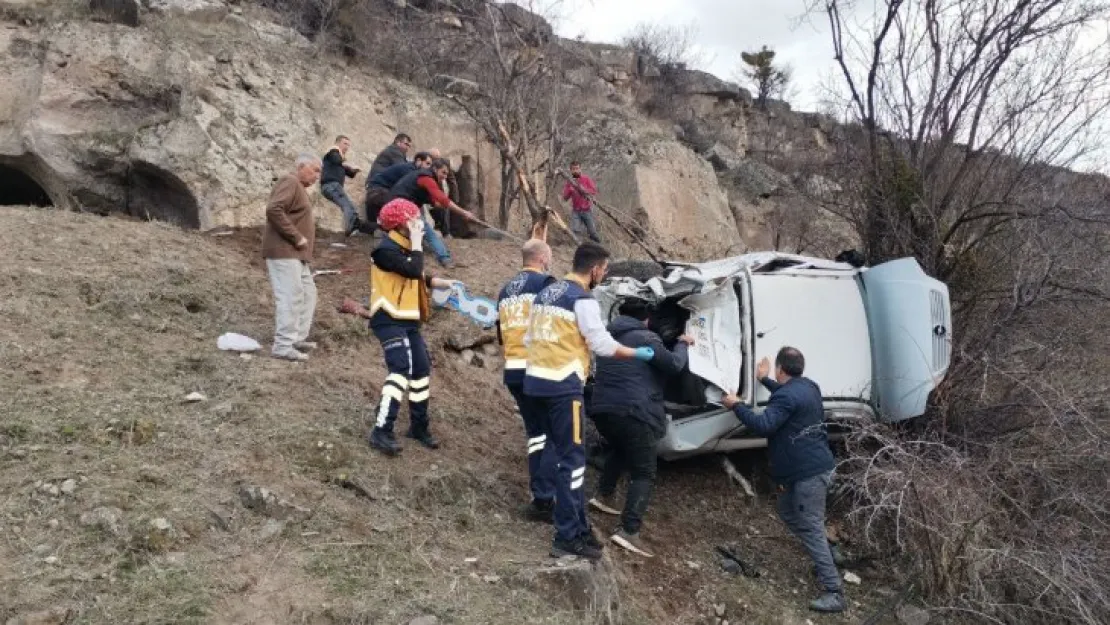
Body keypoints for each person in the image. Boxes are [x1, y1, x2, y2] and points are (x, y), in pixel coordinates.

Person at [524, 242, 657, 560]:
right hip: (563, 389)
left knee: (556, 454)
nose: (604, 274)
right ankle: (567, 536)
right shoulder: (581, 300)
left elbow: (529, 337)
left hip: (536, 384)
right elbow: (601, 344)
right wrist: (636, 353)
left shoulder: (547, 293)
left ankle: (579, 526)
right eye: (605, 270)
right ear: (595, 269)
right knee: (573, 463)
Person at [722, 348, 845, 613]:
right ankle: (827, 551)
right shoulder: (809, 387)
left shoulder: (788, 395)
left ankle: (834, 591)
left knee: (810, 526)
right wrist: (764, 380)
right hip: (813, 468)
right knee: (788, 511)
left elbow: (764, 424)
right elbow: (786, 398)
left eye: (774, 374)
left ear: (781, 370)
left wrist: (736, 405)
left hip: (808, 473)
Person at [587, 298, 694, 557]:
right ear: (646, 319)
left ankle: (603, 494)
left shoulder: (607, 336)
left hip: (602, 409)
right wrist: (682, 343)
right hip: (636, 410)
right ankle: (629, 530)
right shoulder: (645, 337)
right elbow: (674, 365)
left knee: (622, 448)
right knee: (644, 472)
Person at [365, 198, 457, 456]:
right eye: (413, 219)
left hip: (408, 320)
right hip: (388, 318)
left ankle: (419, 426)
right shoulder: (383, 250)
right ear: (400, 224)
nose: (419, 223)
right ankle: (381, 429)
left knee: (421, 370)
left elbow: (414, 272)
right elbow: (411, 268)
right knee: (400, 369)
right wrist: (418, 244)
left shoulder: (403, 248)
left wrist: (438, 282)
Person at [497, 240, 558, 523]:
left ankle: (539, 493)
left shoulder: (505, 291)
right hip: (539, 367)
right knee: (555, 433)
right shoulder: (546, 283)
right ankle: (546, 497)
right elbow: (557, 323)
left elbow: (501, 335)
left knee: (536, 434)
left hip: (513, 369)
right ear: (543, 258)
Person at [262, 153, 321, 362]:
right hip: (284, 251)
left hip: (297, 255)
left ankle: (296, 338)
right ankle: (283, 345)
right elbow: (274, 209)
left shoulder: (300, 188)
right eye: (315, 170)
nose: (317, 176)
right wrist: (297, 237)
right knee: (291, 295)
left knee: (307, 294)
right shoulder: (290, 181)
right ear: (301, 166)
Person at [389, 158, 476, 269]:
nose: (445, 176)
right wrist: (463, 212)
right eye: (443, 172)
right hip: (400, 206)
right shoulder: (426, 178)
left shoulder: (425, 179)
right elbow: (442, 198)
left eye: (447, 174)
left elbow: (436, 203)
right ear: (434, 169)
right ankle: (445, 259)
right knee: (429, 232)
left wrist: (454, 209)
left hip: (397, 205)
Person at [365, 151, 432, 234]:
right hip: (377, 192)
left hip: (379, 193)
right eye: (427, 164)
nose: (429, 168)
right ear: (418, 161)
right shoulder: (410, 171)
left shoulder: (411, 169)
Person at [319, 135, 363, 236]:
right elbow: (337, 160)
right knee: (348, 206)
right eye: (345, 143)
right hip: (331, 185)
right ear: (337, 143)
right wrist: (347, 163)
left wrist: (355, 170)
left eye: (348, 145)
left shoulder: (338, 160)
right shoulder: (333, 152)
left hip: (331, 186)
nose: (347, 147)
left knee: (351, 207)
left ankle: (354, 228)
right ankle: (350, 230)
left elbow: (350, 174)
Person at [562, 161, 601, 243]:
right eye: (573, 169)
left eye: (577, 168)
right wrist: (570, 190)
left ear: (580, 169)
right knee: (575, 230)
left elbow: (594, 191)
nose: (575, 171)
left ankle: (598, 246)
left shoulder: (586, 179)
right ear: (571, 170)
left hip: (587, 209)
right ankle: (578, 247)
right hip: (576, 211)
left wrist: (585, 190)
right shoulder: (569, 182)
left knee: (592, 232)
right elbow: (565, 197)